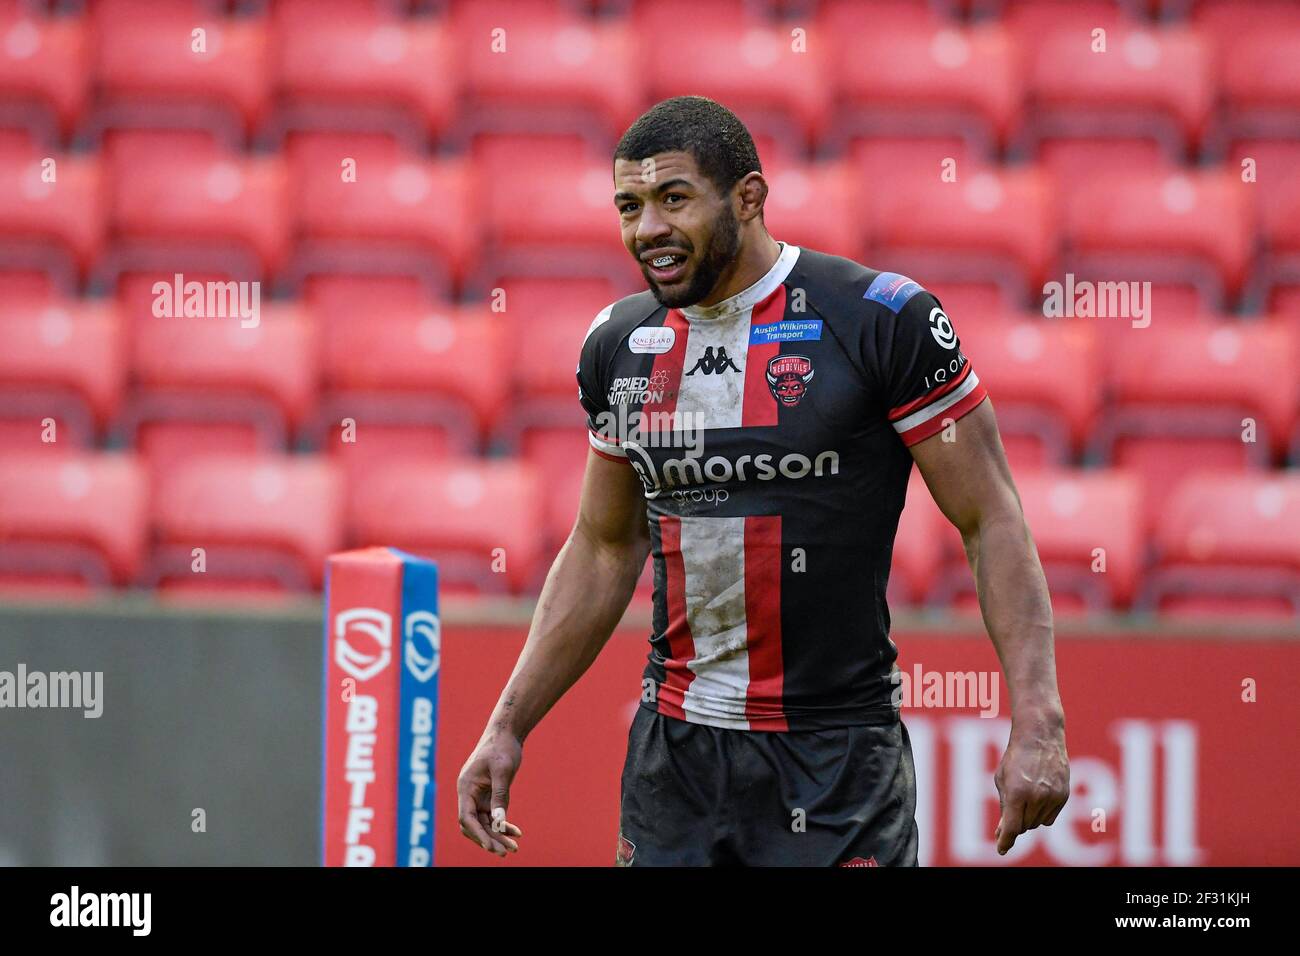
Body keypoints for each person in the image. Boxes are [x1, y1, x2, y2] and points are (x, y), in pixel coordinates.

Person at [457, 95, 1069, 866]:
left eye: (673, 199)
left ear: (748, 197)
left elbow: (991, 520)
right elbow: (606, 547)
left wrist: (1038, 719)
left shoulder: (882, 320)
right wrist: (508, 724)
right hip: (673, 759)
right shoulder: (619, 345)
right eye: (629, 205)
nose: (648, 230)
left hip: (836, 760)